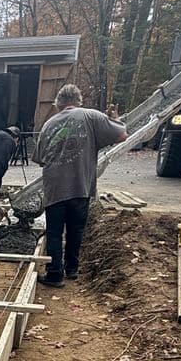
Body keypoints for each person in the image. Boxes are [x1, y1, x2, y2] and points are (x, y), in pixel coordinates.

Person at [32, 84, 126, 286]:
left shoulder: (48, 125)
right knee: (76, 229)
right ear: (78, 100)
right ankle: (72, 270)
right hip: (79, 186)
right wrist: (115, 119)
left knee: (55, 233)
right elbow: (121, 135)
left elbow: (40, 159)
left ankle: (55, 274)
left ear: (58, 103)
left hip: (54, 187)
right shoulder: (91, 117)